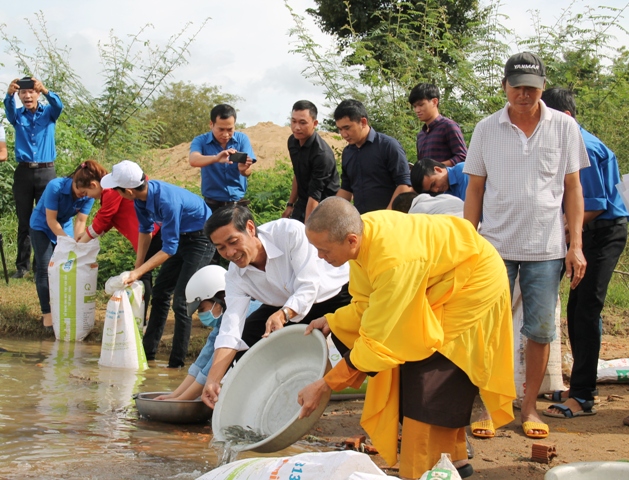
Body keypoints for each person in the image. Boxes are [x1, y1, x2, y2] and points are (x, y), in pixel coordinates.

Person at [297, 197, 515, 479]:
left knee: (429, 376)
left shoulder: (392, 261)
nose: (319, 257)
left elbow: (380, 338)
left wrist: (327, 384)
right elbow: (368, 303)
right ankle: (454, 459)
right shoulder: (366, 237)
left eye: (323, 250)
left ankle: (421, 470)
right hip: (439, 282)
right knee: (411, 365)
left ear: (351, 239)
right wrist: (334, 320)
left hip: (471, 286)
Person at [463, 52, 590, 439]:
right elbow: (475, 189)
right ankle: (487, 404)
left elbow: (573, 189)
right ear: (504, 86)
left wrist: (576, 245)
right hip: (494, 248)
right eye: (517, 86)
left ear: (543, 88)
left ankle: (529, 407)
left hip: (546, 249)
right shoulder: (486, 129)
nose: (524, 94)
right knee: (488, 329)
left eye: (532, 88)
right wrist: (468, 242)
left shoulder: (564, 129)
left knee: (539, 330)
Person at [200, 205, 351, 408]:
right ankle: (272, 403)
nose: (230, 253)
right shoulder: (234, 276)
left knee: (355, 350)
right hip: (286, 306)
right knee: (247, 336)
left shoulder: (289, 232)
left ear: (250, 228)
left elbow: (308, 286)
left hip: (336, 294)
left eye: (233, 242)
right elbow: (230, 331)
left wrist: (283, 314)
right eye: (221, 248)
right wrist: (212, 380)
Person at [540, 87, 628, 420]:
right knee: (577, 309)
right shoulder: (568, 143)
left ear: (563, 117)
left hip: (603, 233)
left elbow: (592, 207)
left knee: (586, 309)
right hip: (585, 233)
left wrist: (555, 232)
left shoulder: (584, 147)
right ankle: (580, 385)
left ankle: (582, 396)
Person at [100, 160, 215, 368]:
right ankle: (147, 355)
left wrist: (139, 272)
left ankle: (176, 364)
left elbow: (169, 249)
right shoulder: (140, 200)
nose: (116, 194)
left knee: (181, 301)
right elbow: (145, 231)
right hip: (181, 236)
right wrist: (137, 267)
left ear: (128, 190)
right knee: (161, 292)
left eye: (116, 191)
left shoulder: (166, 201)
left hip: (201, 239)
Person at [156, 265, 261, 401]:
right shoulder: (224, 321)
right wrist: (174, 395)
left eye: (201, 308)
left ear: (218, 302)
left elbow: (214, 365)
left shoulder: (245, 314)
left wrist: (181, 400)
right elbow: (203, 360)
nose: (200, 314)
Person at [74, 165, 162, 325]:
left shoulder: (111, 191)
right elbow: (107, 222)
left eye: (87, 193)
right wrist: (86, 235)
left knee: (144, 273)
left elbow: (103, 219)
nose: (89, 197)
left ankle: (142, 318)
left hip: (151, 233)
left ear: (93, 185)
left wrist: (80, 244)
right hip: (147, 233)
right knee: (145, 273)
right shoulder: (110, 191)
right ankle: (143, 316)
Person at [4, 77, 63, 278]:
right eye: (23, 93)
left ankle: (43, 263)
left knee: (47, 218)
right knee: (24, 219)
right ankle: (22, 266)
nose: (27, 96)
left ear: (37, 94)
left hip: (46, 172)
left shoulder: (48, 113)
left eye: (31, 92)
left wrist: (46, 90)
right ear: (20, 96)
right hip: (24, 172)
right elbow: (8, 109)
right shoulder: (17, 116)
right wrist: (9, 93)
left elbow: (58, 105)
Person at [29, 161, 96, 328]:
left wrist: (78, 241)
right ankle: (47, 314)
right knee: (45, 268)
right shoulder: (55, 186)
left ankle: (61, 307)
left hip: (64, 226)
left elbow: (81, 221)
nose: (83, 195)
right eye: (80, 192)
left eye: (85, 193)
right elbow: (51, 219)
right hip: (42, 226)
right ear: (73, 182)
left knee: (63, 269)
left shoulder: (88, 195)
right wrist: (66, 240)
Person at [334, 99, 412, 213]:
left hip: (389, 221)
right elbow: (346, 189)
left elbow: (404, 185)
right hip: (362, 221)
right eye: (340, 129)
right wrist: (331, 213)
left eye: (347, 128)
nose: (344, 134)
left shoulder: (388, 146)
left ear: (363, 122)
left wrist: (386, 215)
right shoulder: (347, 152)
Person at [189, 104, 256, 210]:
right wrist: (216, 158)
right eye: (221, 129)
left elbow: (248, 172)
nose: (225, 134)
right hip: (211, 206)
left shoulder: (242, 139)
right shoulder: (200, 140)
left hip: (237, 205)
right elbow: (193, 160)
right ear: (211, 124)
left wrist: (244, 170)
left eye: (230, 129)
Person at [282, 100, 340, 222]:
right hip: (303, 200)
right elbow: (298, 174)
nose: (296, 127)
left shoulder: (321, 154)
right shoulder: (293, 141)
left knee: (309, 237)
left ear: (315, 123)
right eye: (293, 121)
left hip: (325, 206)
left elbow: (315, 196)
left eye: (303, 123)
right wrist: (290, 205)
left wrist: (308, 229)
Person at [409, 83, 467, 166]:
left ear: (434, 102)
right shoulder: (421, 135)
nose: (417, 110)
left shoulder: (448, 126)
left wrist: (435, 168)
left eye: (421, 105)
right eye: (414, 106)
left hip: (448, 178)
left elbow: (462, 157)